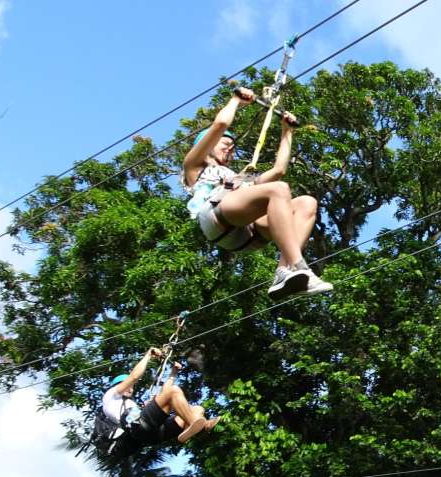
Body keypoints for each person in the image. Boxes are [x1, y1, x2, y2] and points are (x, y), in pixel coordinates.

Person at [181, 86, 332, 300]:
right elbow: (221, 124)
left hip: (246, 234)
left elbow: (279, 170)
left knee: (306, 202)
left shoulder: (239, 180)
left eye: (233, 148)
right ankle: (301, 266)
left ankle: (285, 271)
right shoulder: (194, 165)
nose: (229, 150)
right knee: (279, 190)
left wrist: (287, 131)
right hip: (215, 216)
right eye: (225, 144)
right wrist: (235, 101)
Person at [99, 347, 218, 455]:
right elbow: (134, 377)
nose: (131, 388)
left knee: (198, 409)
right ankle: (195, 424)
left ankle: (196, 427)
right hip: (139, 428)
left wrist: (173, 374)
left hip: (156, 433)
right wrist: (148, 355)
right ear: (117, 385)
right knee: (174, 391)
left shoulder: (132, 405)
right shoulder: (110, 396)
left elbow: (166, 395)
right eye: (127, 385)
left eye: (132, 387)